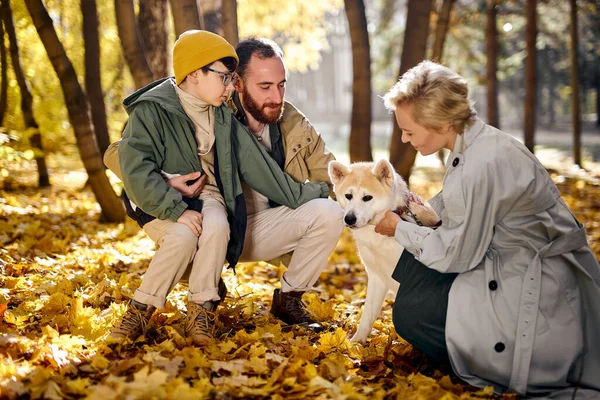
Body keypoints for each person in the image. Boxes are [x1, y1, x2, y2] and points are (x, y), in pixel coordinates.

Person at [375, 60, 600, 398]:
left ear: (442, 122)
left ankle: (476, 359)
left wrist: (398, 228)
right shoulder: (477, 144)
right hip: (515, 261)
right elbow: (469, 210)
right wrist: (427, 215)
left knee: (410, 314)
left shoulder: (479, 163)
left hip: (536, 283)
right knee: (413, 278)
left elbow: (456, 254)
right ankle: (452, 340)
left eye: (410, 131)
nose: (405, 140)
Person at [105, 32, 344, 345]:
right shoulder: (190, 104)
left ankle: (267, 303)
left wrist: (384, 200)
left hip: (243, 222)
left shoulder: (287, 122)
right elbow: (121, 153)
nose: (277, 96)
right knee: (188, 233)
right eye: (265, 86)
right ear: (237, 84)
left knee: (322, 212)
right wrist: (165, 183)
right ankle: (148, 310)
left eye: (281, 84)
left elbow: (317, 176)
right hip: (186, 210)